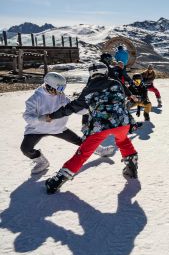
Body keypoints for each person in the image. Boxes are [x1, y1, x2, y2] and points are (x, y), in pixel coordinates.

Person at [42, 62, 138, 194]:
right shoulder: (116, 83)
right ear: (105, 72)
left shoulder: (89, 88)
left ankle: (57, 181)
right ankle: (131, 165)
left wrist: (52, 115)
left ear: (91, 74)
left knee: (84, 152)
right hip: (122, 122)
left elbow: (73, 107)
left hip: (100, 126)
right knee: (122, 141)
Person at [21, 72, 113, 174]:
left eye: (63, 89)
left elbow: (73, 108)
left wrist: (88, 110)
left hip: (58, 128)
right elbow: (27, 116)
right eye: (59, 89)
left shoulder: (61, 96)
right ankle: (41, 162)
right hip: (37, 129)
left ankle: (100, 150)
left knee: (79, 141)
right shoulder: (35, 99)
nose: (61, 92)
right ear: (48, 86)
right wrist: (40, 119)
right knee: (25, 149)